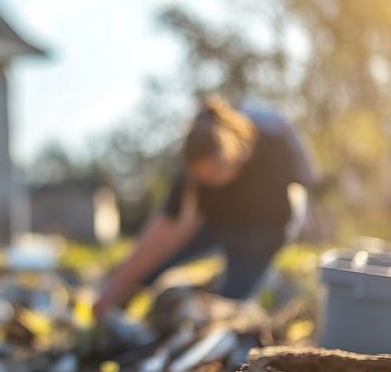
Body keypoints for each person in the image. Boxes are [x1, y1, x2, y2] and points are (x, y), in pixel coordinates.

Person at [94, 97, 316, 317]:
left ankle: (211, 296)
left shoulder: (274, 147)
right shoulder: (193, 174)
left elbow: (307, 193)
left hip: (260, 234)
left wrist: (311, 221)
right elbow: (169, 226)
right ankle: (116, 311)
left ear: (232, 155)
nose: (208, 182)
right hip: (214, 224)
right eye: (202, 177)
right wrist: (115, 285)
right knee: (145, 271)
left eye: (214, 174)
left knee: (228, 309)